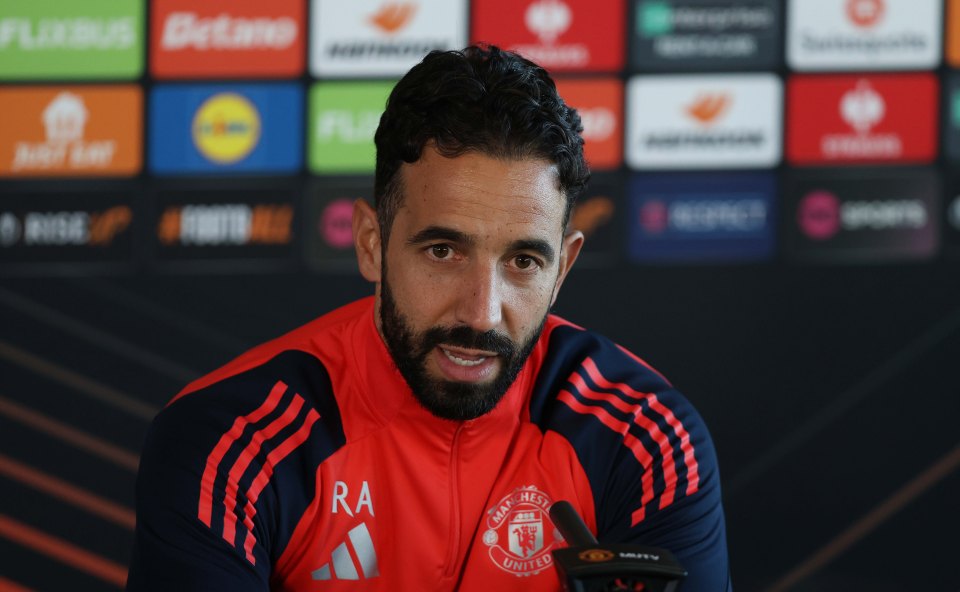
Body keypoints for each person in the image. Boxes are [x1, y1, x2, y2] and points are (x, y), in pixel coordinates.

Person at [127, 45, 731, 591]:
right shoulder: (230, 440)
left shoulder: (644, 437)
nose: (481, 312)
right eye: (443, 251)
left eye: (522, 261)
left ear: (563, 269)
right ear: (371, 242)